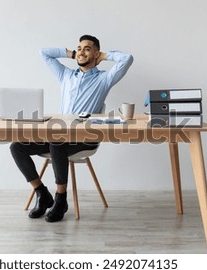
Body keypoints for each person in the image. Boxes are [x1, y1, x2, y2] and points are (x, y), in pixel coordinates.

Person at [10, 34, 133, 222]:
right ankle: (42, 193)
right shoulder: (66, 75)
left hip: (84, 138)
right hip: (57, 135)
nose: (81, 52)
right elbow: (44, 53)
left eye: (87, 49)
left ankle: (61, 199)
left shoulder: (104, 79)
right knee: (17, 146)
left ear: (96, 53)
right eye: (79, 48)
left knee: (56, 143)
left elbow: (127, 59)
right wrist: (71, 53)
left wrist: (105, 56)